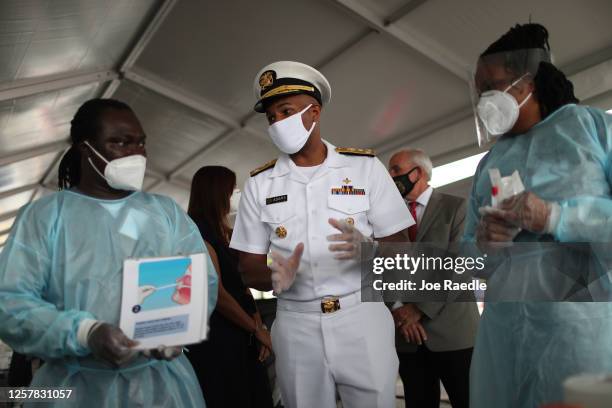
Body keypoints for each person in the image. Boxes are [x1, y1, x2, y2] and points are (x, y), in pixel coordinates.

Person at [0, 98, 218, 407]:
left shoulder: (165, 213)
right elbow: (10, 304)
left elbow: (201, 283)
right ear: (85, 149)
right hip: (74, 388)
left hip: (161, 386)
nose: (136, 153)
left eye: (140, 143)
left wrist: (175, 329)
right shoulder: (46, 217)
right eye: (121, 142)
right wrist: (85, 333)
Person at [229, 61, 415, 408]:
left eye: (285, 111)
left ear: (314, 111)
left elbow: (401, 248)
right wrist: (274, 275)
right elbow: (247, 266)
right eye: (270, 117)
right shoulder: (259, 184)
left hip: (361, 315)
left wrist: (369, 250)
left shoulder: (364, 168)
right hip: (296, 324)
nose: (277, 123)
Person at [465, 23, 612, 407]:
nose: (483, 100)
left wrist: (556, 218)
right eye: (479, 91)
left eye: (491, 87)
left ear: (527, 83)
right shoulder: (488, 164)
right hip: (503, 343)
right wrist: (484, 244)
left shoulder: (594, 130)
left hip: (582, 340)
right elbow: (466, 259)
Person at [388, 149, 479, 408]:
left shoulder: (457, 207)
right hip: (407, 337)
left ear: (418, 172)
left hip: (455, 333)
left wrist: (418, 308)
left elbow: (458, 264)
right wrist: (398, 309)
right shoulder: (388, 218)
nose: (391, 175)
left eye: (395, 169)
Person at [186, 165, 273, 408]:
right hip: (218, 337)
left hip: (243, 332)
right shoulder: (195, 233)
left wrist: (258, 324)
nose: (237, 193)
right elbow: (217, 293)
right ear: (216, 193)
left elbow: (244, 284)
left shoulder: (227, 233)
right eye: (232, 189)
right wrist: (255, 330)